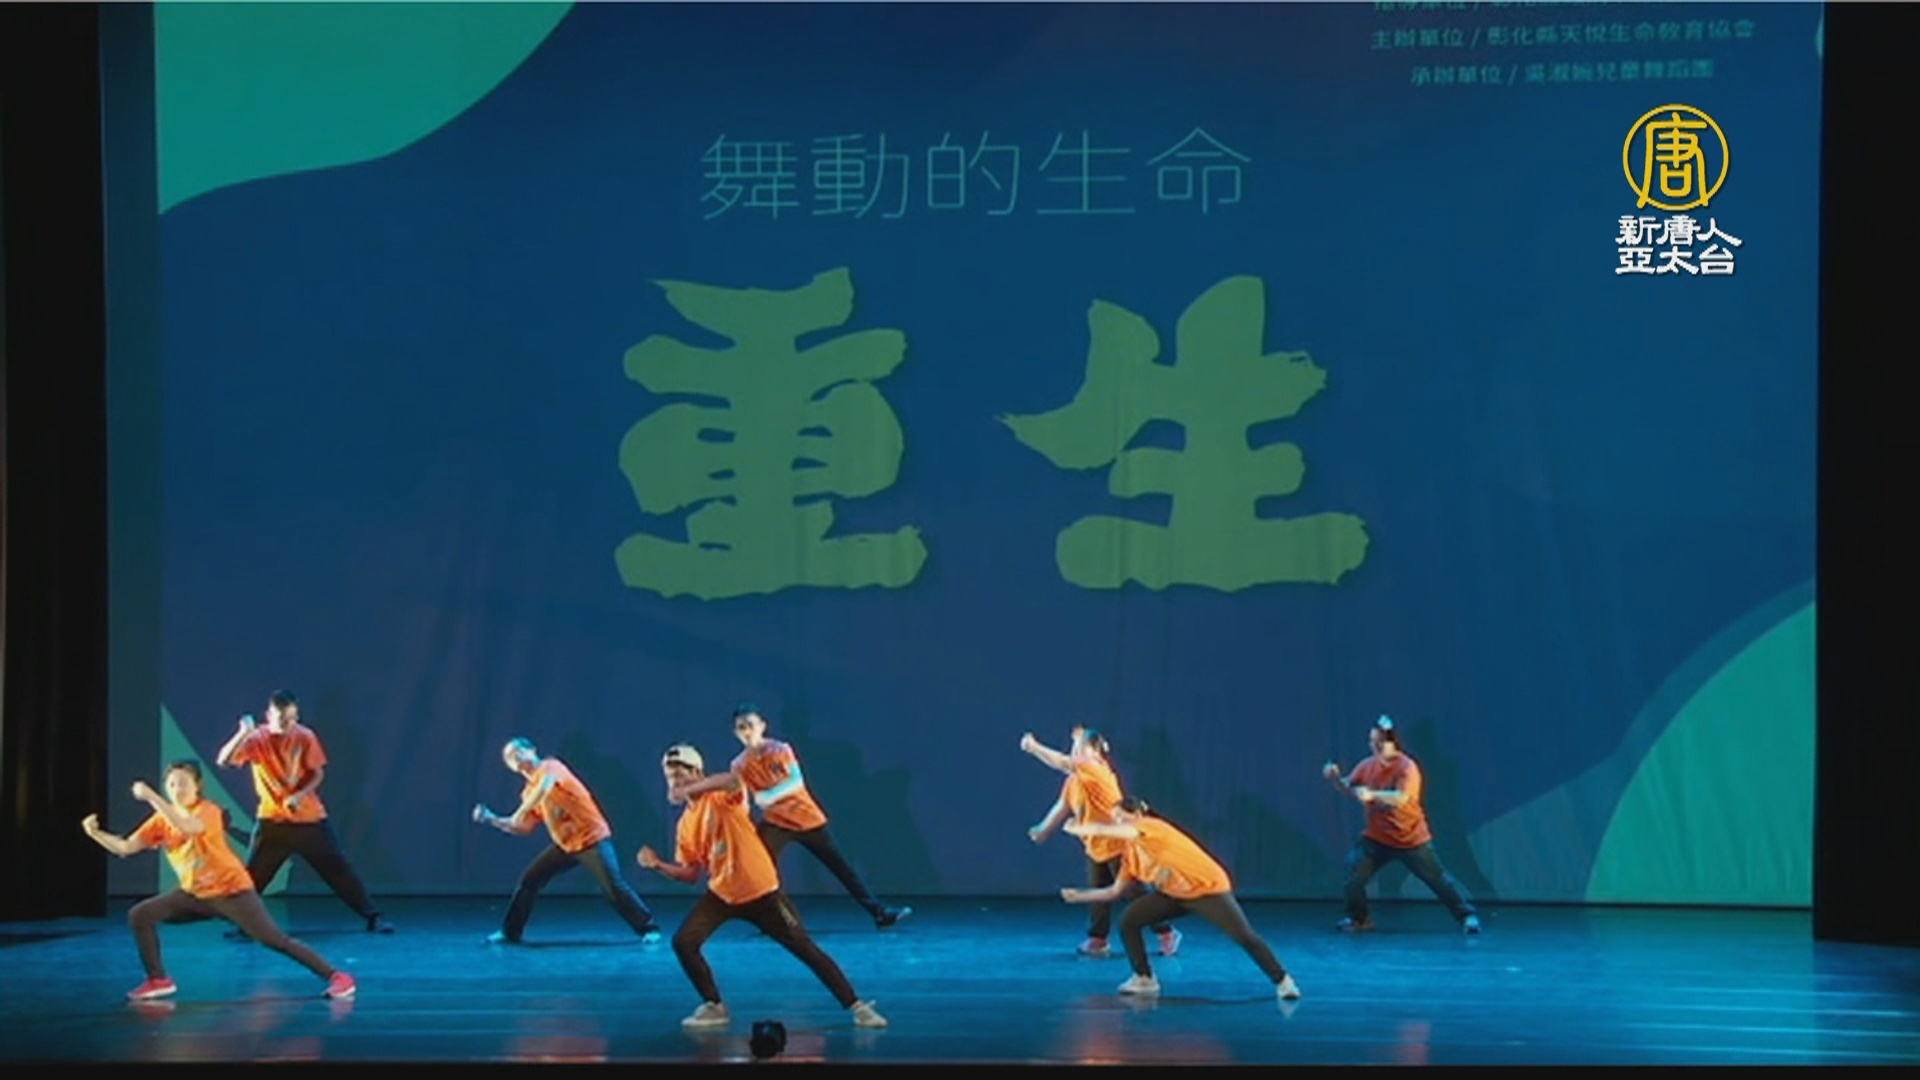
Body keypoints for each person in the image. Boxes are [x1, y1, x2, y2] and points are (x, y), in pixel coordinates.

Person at [638, 743, 888, 1031]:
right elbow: (690, 873)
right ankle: (714, 1006)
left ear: (697, 772)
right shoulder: (685, 825)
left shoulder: (721, 798)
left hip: (762, 891)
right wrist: (657, 864)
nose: (675, 781)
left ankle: (857, 1006)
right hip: (722, 895)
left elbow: (734, 780)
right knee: (684, 942)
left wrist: (691, 789)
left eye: (681, 774)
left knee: (804, 948)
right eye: (671, 776)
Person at [82, 761, 357, 1002]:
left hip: (231, 892)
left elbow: (188, 827)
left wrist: (151, 796)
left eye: (183, 784)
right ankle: (158, 980)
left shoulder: (207, 810)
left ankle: (337, 977)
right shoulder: (161, 819)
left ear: (197, 786)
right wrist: (95, 834)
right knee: (140, 915)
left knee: (275, 940)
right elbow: (126, 847)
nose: (177, 789)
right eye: (172, 784)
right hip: (194, 895)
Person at [672, 705, 908, 929]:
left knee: (841, 867)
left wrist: (769, 795)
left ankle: (879, 913)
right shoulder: (739, 764)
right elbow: (741, 794)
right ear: (736, 732)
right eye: (741, 727)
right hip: (776, 823)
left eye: (750, 725)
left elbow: (795, 781)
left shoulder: (780, 749)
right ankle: (782, 921)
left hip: (807, 819)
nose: (747, 731)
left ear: (762, 726)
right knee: (763, 870)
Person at [1061, 797, 1302, 1001]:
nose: (1118, 823)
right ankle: (1144, 978)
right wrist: (1079, 896)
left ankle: (1283, 981)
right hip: (1174, 894)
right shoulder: (1130, 855)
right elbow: (1114, 892)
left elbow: (1113, 830)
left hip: (1207, 889)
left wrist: (1082, 828)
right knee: (1128, 921)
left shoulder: (1152, 826)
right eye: (1114, 819)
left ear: (1137, 814)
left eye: (1121, 817)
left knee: (1244, 936)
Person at [214, 690, 393, 934]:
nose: (289, 724)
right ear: (269, 715)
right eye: (282, 718)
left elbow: (317, 773)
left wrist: (299, 795)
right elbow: (223, 761)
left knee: (338, 870)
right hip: (273, 821)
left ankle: (373, 916)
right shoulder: (257, 739)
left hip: (309, 820)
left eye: (293, 718)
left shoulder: (305, 736)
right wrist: (242, 733)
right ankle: (245, 924)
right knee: (253, 877)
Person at [472, 737, 664, 945]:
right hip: (566, 845)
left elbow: (544, 788)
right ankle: (511, 932)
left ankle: (649, 928)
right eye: (509, 757)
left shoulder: (551, 766)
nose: (514, 757)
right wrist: (493, 819)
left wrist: (519, 812)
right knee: (529, 882)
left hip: (591, 839)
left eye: (518, 751)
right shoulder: (527, 793)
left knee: (613, 887)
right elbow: (524, 827)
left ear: (532, 750)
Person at [1022, 726, 1179, 958]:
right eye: (1075, 749)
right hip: (1095, 846)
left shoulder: (1098, 770)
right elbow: (1062, 806)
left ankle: (1166, 932)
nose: (1076, 754)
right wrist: (1043, 829)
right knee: (1097, 893)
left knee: (1133, 893)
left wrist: (1034, 747)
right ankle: (1098, 939)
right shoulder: (1074, 781)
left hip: (1119, 846)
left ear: (1096, 752)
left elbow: (1063, 762)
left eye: (1081, 749)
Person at [1322, 715, 1481, 934]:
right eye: (1371, 741)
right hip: (1377, 838)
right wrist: (1335, 779)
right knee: (1353, 874)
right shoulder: (1367, 765)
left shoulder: (1407, 767)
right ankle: (1360, 919)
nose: (1374, 746)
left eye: (1378, 741)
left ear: (1391, 743)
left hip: (1410, 839)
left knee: (1438, 879)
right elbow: (1350, 786)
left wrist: (1372, 795)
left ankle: (1466, 915)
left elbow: (1401, 798)